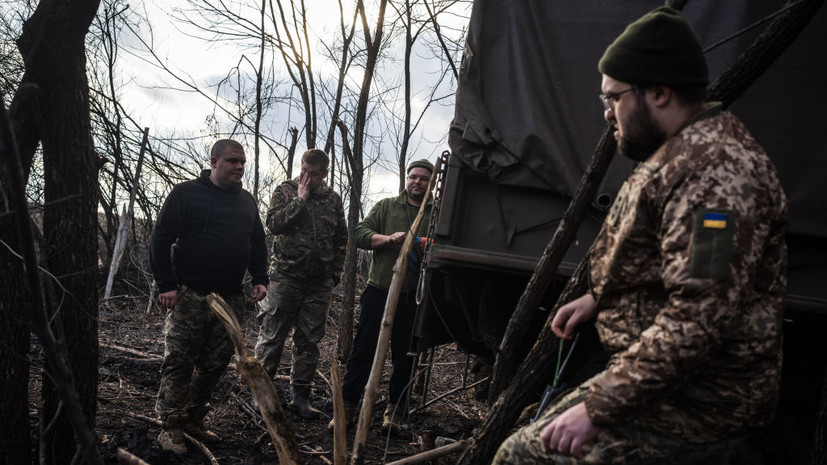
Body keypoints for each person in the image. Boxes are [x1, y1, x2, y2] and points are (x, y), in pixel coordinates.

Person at [493, 6, 787, 465]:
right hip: (666, 380)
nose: (607, 113)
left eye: (613, 98)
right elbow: (666, 258)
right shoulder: (677, 153)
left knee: (522, 456)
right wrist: (598, 297)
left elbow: (700, 316)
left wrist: (596, 405)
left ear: (659, 92)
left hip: (700, 399)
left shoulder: (715, 175)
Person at [150, 139, 268, 455]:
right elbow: (160, 240)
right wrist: (166, 285)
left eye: (242, 161)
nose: (239, 167)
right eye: (232, 161)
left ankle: (192, 417)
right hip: (189, 295)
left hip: (230, 298)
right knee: (179, 360)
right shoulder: (186, 194)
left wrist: (260, 277)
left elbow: (257, 242)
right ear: (214, 162)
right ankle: (170, 426)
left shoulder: (246, 201)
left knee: (214, 364)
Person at [331, 158, 435, 435]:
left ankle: (395, 412)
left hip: (415, 297)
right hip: (379, 291)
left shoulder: (439, 214)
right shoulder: (387, 206)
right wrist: (388, 239)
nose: (417, 182)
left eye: (424, 178)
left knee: (405, 356)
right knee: (363, 350)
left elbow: (452, 247)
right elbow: (361, 234)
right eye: (413, 177)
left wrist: (429, 247)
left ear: (432, 182)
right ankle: (349, 408)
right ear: (407, 179)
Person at [254, 148, 347, 419]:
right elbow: (273, 224)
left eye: (314, 174)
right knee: (272, 338)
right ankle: (262, 396)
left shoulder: (333, 199)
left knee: (309, 341)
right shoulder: (285, 190)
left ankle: (300, 398)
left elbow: (341, 237)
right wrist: (300, 201)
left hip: (319, 284)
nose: (307, 177)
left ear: (325, 174)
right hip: (285, 278)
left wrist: (334, 275)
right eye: (304, 171)